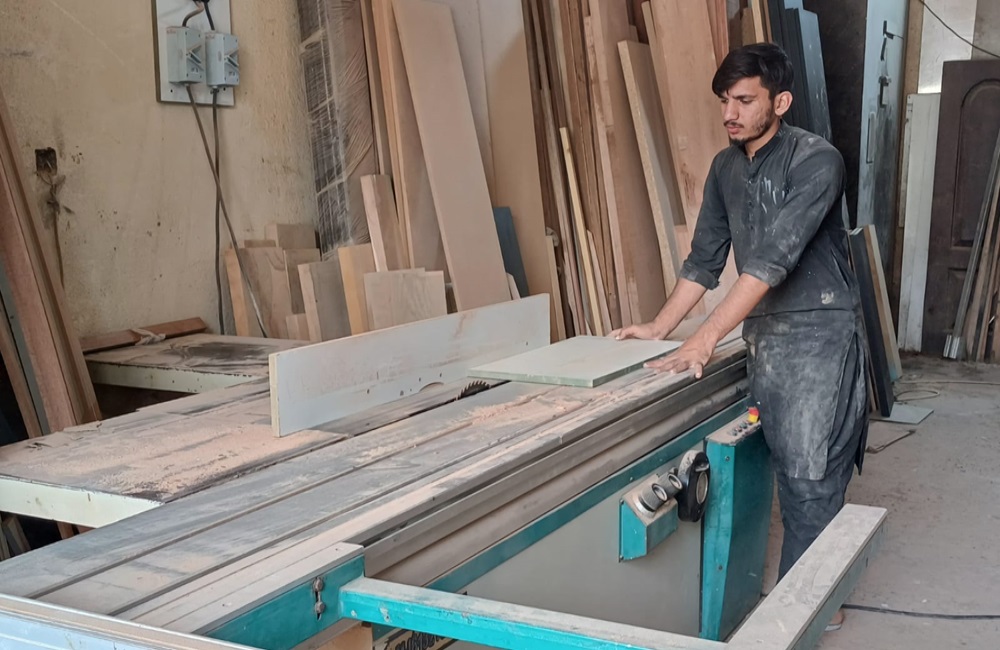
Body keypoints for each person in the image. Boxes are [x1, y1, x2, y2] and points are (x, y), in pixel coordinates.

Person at [611, 43, 868, 632]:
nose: (729, 112)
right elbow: (705, 259)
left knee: (810, 478)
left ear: (781, 101)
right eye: (725, 100)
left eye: (745, 100)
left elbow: (772, 260)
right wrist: (660, 328)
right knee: (784, 467)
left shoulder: (817, 161)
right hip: (765, 334)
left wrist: (705, 338)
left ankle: (807, 614)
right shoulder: (726, 168)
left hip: (819, 334)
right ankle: (813, 595)